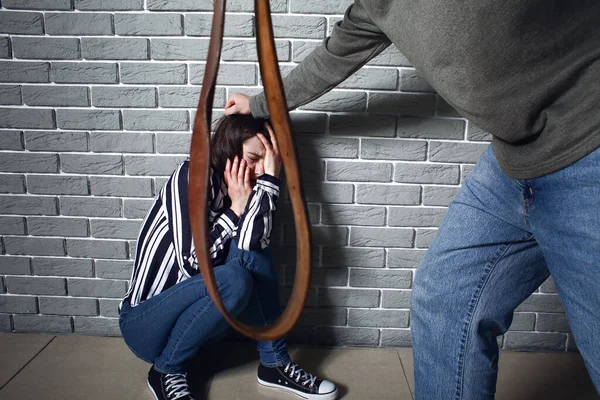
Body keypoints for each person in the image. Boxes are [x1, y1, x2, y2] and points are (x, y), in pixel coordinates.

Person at [225, 1, 600, 399]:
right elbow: (332, 57)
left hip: (590, 147)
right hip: (515, 161)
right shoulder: (377, 6)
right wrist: (262, 105)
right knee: (445, 301)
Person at [119, 115, 338, 400]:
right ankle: (166, 371)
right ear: (229, 148)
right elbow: (191, 262)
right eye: (253, 157)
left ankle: (274, 364)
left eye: (267, 161)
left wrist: (269, 180)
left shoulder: (246, 189)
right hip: (145, 326)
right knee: (234, 279)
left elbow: (250, 245)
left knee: (252, 256)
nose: (258, 169)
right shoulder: (192, 175)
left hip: (198, 332)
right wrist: (235, 210)